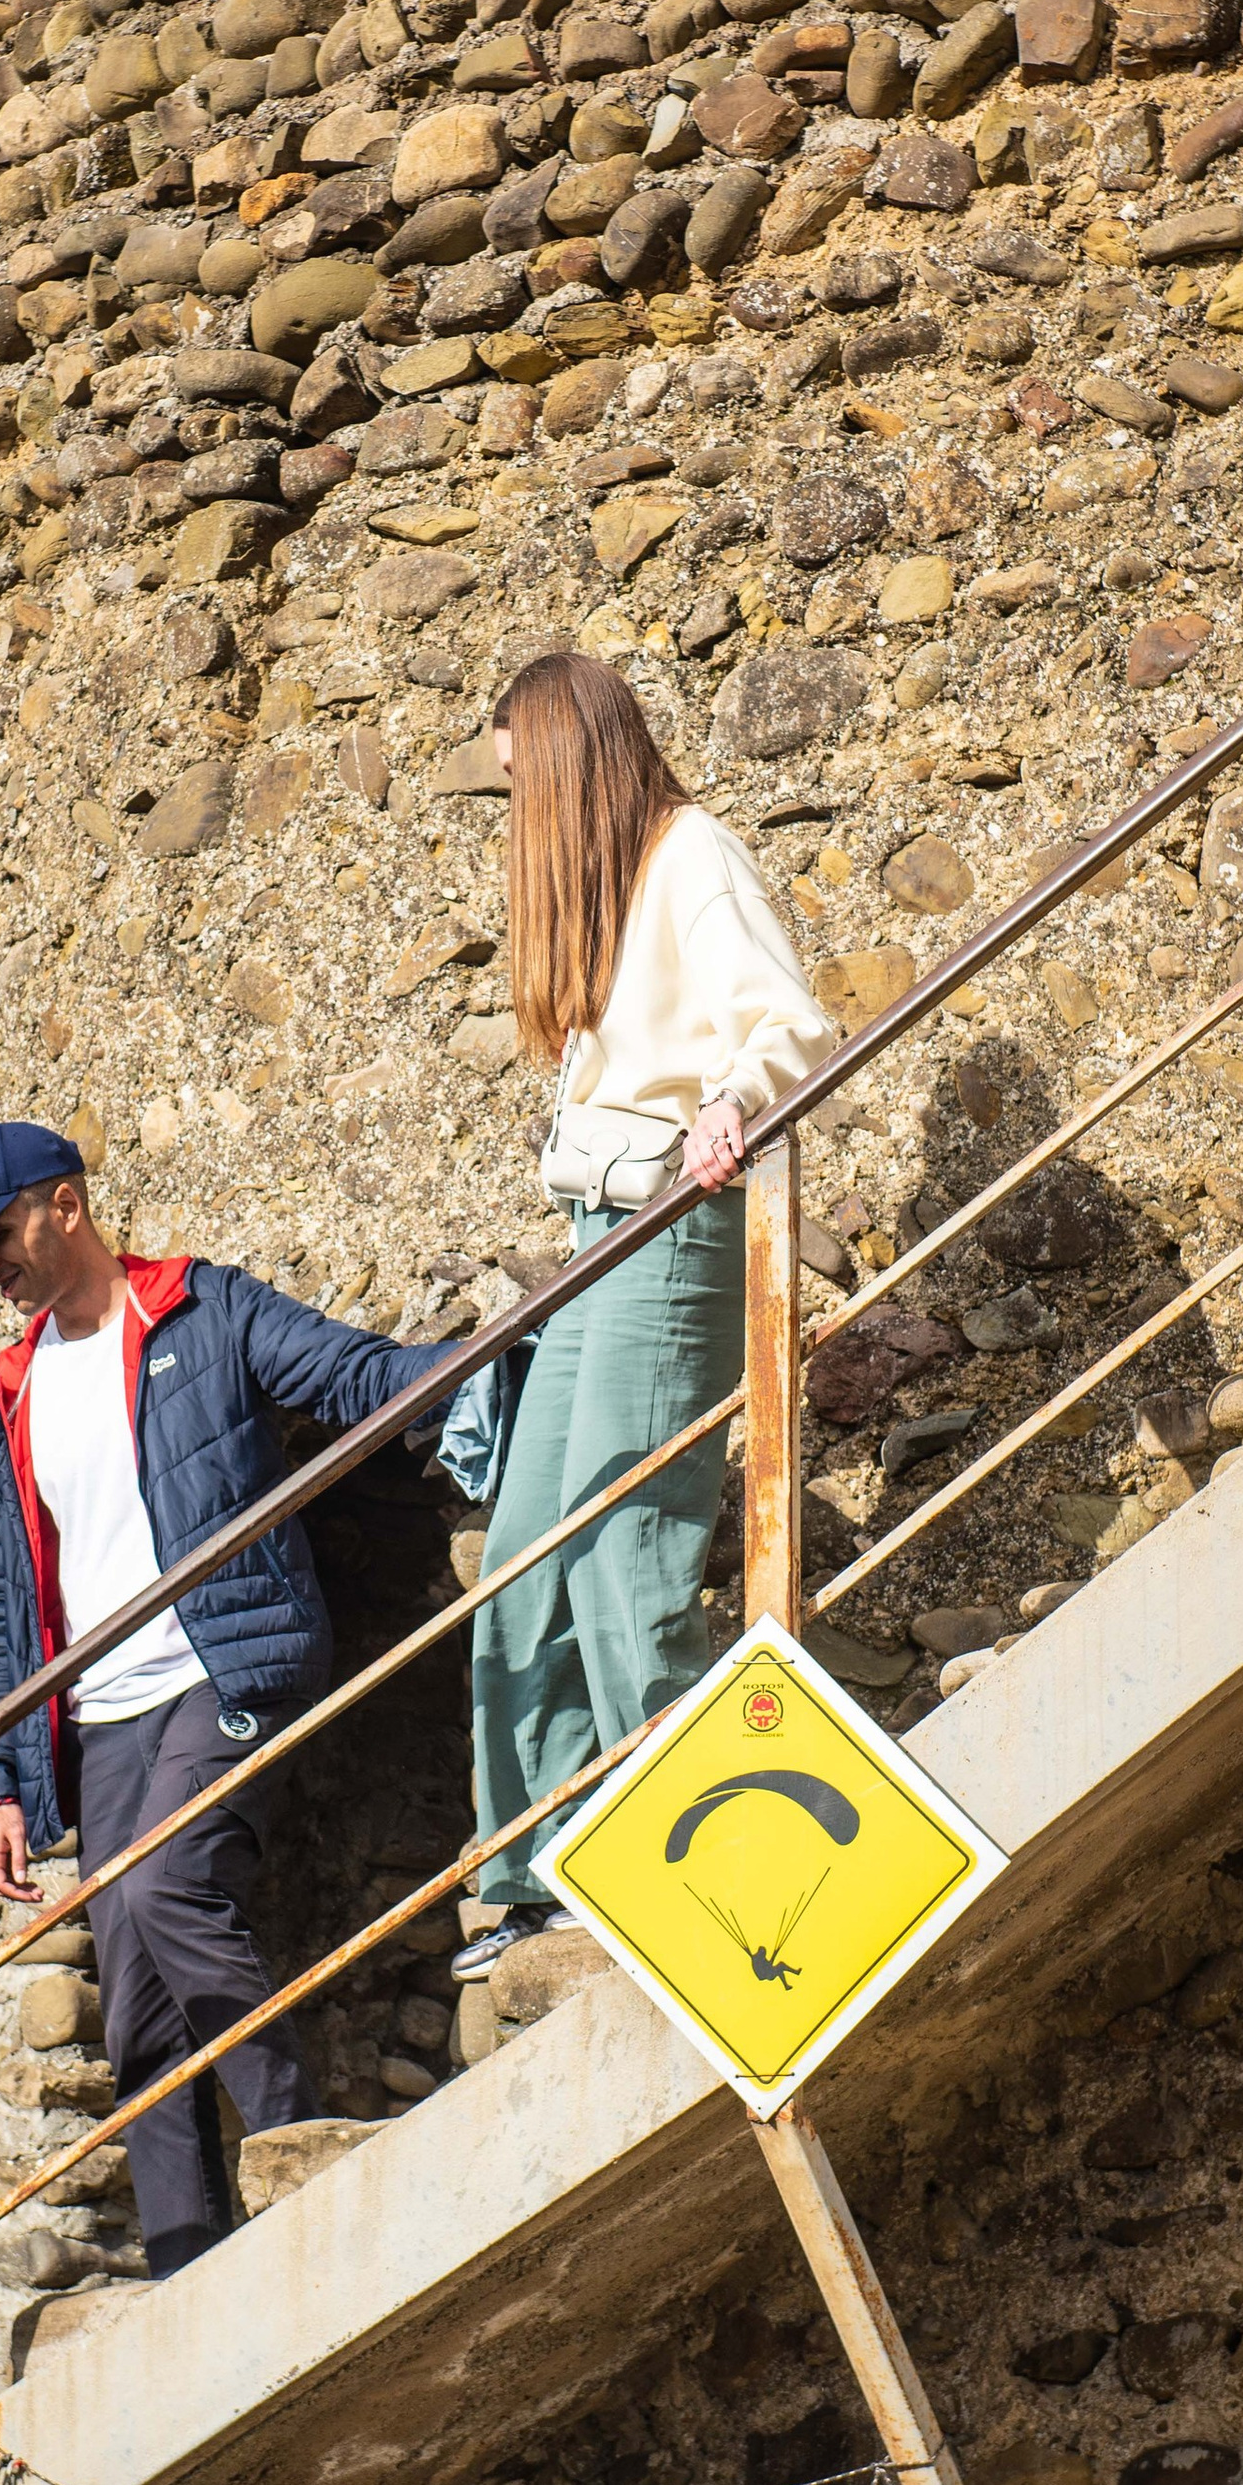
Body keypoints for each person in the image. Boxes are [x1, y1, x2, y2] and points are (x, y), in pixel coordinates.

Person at [0, 1120, 448, 2277]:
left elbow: (353, 1372)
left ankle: (305, 2146)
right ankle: (189, 2263)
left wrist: (496, 1354)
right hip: (102, 1715)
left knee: (167, 1883)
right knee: (140, 2010)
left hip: (229, 1664)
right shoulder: (8, 1387)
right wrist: (1, 1779)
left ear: (64, 1205)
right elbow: (12, 1603)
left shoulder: (201, 1311)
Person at [453, 656, 835, 1984]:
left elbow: (789, 1022)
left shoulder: (692, 855)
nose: (517, 816)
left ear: (563, 760)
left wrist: (734, 1096)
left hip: (670, 1222)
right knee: (519, 1557)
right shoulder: (619, 892)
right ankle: (544, 1872)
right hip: (595, 1232)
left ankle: (709, 1876)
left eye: (520, 781)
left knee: (627, 1542)